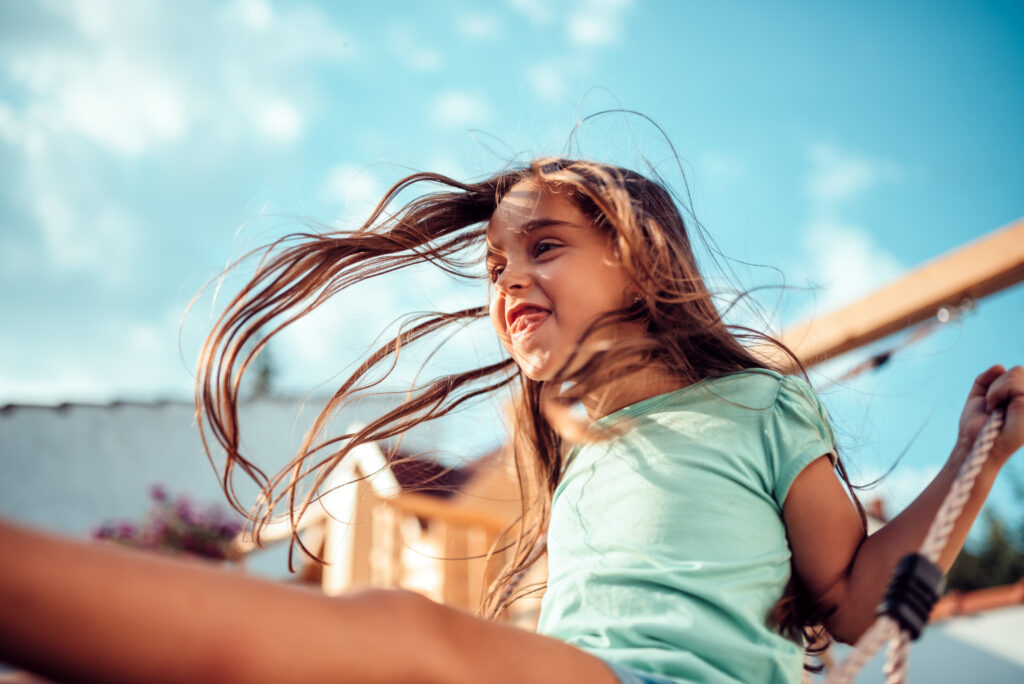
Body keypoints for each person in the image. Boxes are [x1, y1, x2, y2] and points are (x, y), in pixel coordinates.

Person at [1, 158, 1022, 684]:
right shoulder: (569, 450)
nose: (510, 281)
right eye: (494, 268)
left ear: (640, 254)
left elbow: (849, 600)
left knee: (400, 641)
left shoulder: (756, 402)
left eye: (542, 247)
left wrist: (975, 457)